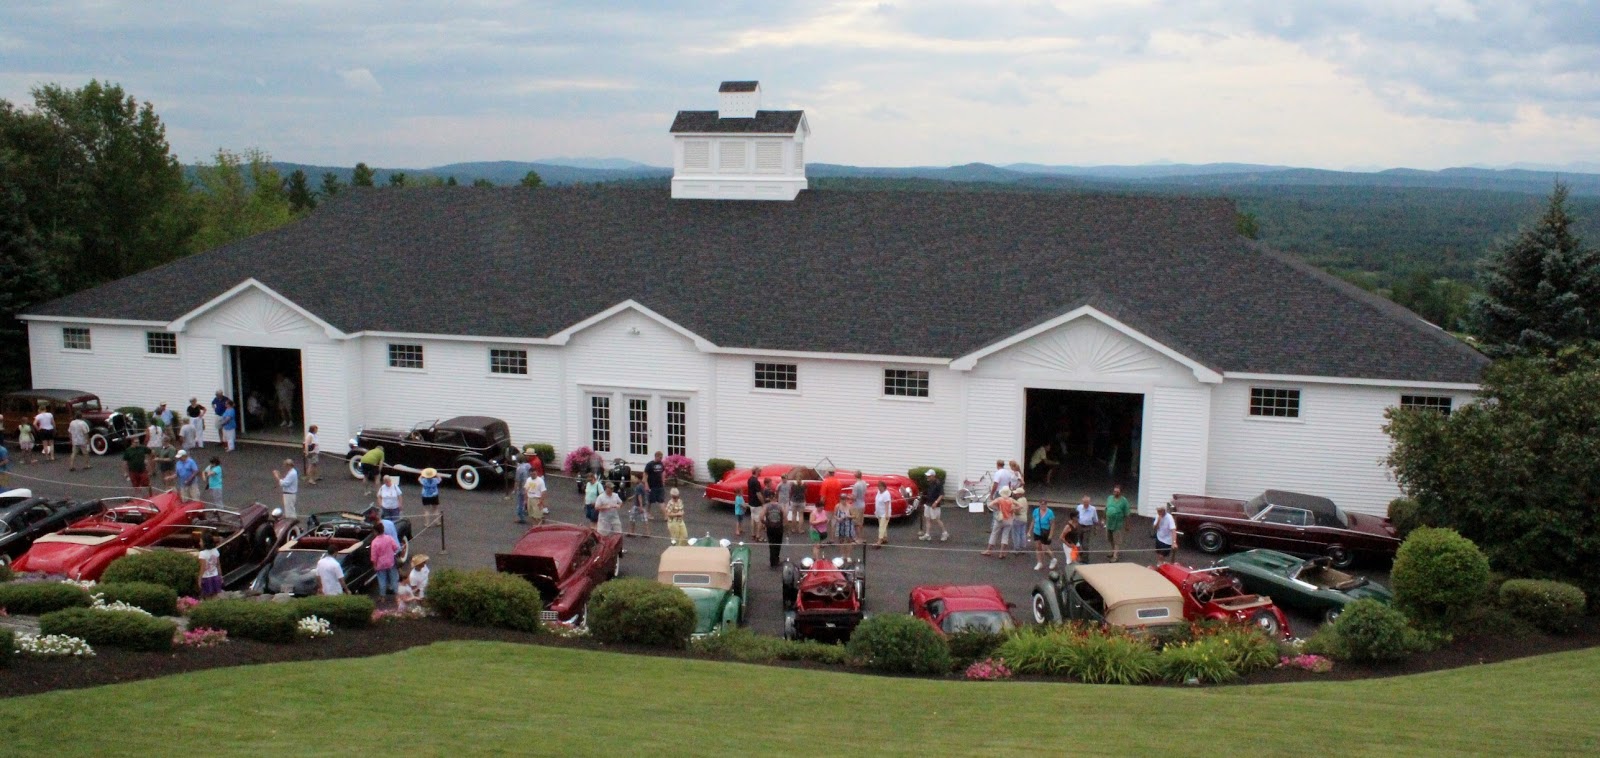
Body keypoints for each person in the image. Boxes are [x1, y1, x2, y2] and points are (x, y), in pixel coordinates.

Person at [982, 487, 1016, 558]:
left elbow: (990, 504)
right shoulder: (1011, 500)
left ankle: (989, 550)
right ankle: (1001, 553)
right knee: (1005, 536)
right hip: (1009, 519)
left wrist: (997, 508)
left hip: (1000, 518)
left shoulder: (999, 499)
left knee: (994, 534)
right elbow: (1020, 506)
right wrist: (1012, 509)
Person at [370, 523, 400, 601]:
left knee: (382, 580)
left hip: (380, 564)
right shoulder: (389, 538)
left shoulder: (374, 542)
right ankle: (397, 594)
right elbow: (396, 547)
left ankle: (382, 596)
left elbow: (374, 556)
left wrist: (374, 565)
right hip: (391, 561)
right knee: (394, 578)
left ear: (376, 531)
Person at [918, 469, 949, 542]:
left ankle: (945, 533)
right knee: (927, 518)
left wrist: (936, 502)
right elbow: (928, 493)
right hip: (928, 504)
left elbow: (941, 494)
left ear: (933, 476)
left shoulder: (938, 483)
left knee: (936, 519)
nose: (927, 477)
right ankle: (927, 535)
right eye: (927, 476)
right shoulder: (930, 483)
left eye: (929, 476)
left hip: (934, 505)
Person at [1105, 484, 1131, 562]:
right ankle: (1113, 551)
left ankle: (1115, 556)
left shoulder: (1124, 501)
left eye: (1117, 491)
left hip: (1117, 524)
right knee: (1110, 539)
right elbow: (1106, 508)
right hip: (1109, 523)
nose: (1115, 493)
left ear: (1120, 492)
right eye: (1114, 491)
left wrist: (1127, 525)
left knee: (1116, 540)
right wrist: (1103, 518)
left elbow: (1127, 514)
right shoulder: (1109, 498)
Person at [1031, 498, 1057, 570]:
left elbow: (1052, 524)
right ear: (1039, 504)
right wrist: (1029, 531)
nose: (1043, 506)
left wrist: (1051, 535)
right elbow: (1033, 521)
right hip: (1036, 531)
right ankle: (1039, 562)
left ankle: (1053, 559)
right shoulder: (1036, 511)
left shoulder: (1050, 512)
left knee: (1044, 549)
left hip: (1045, 532)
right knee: (1038, 547)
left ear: (1046, 504)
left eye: (1044, 504)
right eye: (1041, 504)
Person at [762, 487, 785, 567]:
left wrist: (765, 523)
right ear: (776, 498)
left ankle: (772, 561)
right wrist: (785, 526)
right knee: (778, 543)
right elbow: (785, 516)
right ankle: (776, 559)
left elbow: (761, 517)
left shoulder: (766, 506)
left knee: (771, 544)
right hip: (779, 527)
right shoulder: (780, 506)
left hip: (770, 527)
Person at [197, 532, 223, 598]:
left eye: (201, 541)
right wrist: (220, 576)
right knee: (215, 596)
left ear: (205, 543)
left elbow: (202, 568)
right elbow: (218, 565)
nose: (199, 543)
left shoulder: (202, 554)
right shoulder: (215, 551)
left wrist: (199, 579)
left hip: (206, 578)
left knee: (207, 597)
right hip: (215, 576)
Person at [1076, 496, 1100, 563]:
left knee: (1085, 544)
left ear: (1089, 502)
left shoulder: (1093, 509)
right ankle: (1080, 555)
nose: (1085, 504)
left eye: (1087, 502)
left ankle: (1085, 559)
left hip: (1088, 527)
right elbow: (1076, 516)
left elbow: (1095, 520)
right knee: (1079, 542)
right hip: (1080, 526)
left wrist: (1096, 529)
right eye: (1084, 502)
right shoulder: (1079, 507)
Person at [645, 451, 666, 520]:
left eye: (661, 457)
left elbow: (663, 472)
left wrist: (663, 481)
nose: (661, 459)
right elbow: (645, 474)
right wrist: (646, 484)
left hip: (659, 486)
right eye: (660, 457)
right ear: (656, 456)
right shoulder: (650, 464)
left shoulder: (661, 464)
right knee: (649, 501)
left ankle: (666, 516)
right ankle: (647, 513)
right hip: (652, 486)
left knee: (661, 501)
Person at [627, 473, 650, 538]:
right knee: (644, 519)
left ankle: (632, 532)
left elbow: (639, 496)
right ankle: (647, 533)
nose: (633, 479)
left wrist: (640, 506)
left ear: (638, 478)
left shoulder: (638, 486)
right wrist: (631, 497)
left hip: (637, 505)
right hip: (643, 505)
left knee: (632, 518)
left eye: (634, 478)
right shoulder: (642, 485)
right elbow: (638, 494)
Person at [746, 466, 765, 542]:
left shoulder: (749, 479)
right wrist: (763, 503)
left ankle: (753, 534)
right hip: (757, 504)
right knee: (760, 520)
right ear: (756, 471)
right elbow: (758, 494)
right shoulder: (756, 482)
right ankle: (758, 536)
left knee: (753, 519)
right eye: (759, 471)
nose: (760, 473)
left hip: (751, 503)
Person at [1010, 487, 1030, 557]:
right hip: (1024, 518)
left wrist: (1013, 510)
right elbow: (1027, 508)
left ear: (1019, 494)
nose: (1015, 494)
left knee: (1016, 534)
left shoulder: (1018, 501)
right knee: (1022, 533)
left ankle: (1017, 549)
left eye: (1017, 493)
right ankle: (1023, 548)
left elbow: (1017, 511)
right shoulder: (1025, 499)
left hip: (1018, 518)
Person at [872, 480, 893, 548]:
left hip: (884, 513)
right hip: (879, 513)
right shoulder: (879, 492)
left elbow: (887, 504)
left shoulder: (886, 494)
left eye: (880, 487)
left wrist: (887, 514)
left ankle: (879, 541)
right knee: (883, 526)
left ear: (884, 487)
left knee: (881, 527)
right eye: (878, 486)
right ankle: (884, 538)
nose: (879, 488)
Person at [849, 472, 867, 544]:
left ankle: (858, 539)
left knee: (856, 523)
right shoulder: (864, 483)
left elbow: (854, 497)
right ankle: (860, 537)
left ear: (855, 476)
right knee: (861, 522)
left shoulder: (856, 485)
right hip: (862, 504)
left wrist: (849, 497)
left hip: (856, 505)